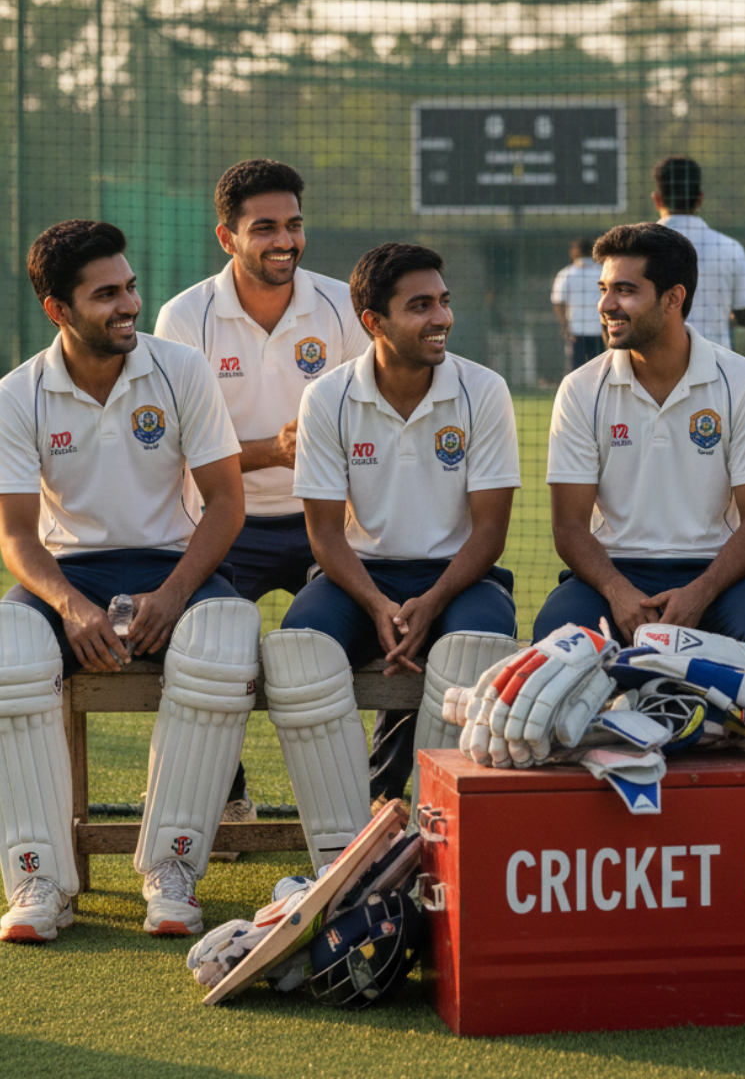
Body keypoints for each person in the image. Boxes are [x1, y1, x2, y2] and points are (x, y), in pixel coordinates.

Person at [0, 220, 257, 942]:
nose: (129, 306)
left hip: (169, 561)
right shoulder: (18, 395)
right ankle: (38, 880)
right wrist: (70, 607)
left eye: (131, 287)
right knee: (8, 649)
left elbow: (228, 504)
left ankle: (171, 870)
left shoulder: (181, 369)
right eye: (106, 294)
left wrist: (173, 594)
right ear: (58, 309)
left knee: (226, 639)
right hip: (68, 570)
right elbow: (17, 534)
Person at [259, 242, 520, 868]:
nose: (441, 318)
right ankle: (344, 854)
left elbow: (489, 533)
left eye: (444, 301)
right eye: (420, 306)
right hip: (357, 576)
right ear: (373, 322)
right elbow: (323, 533)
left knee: (475, 649)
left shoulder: (483, 390)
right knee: (298, 653)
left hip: (460, 576)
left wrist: (429, 604)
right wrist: (377, 604)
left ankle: (440, 851)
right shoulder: (327, 398)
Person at [154, 159, 369, 852]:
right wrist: (271, 452)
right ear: (227, 236)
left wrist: (330, 445)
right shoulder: (185, 317)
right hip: (225, 521)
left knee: (404, 639)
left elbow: (384, 418)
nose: (285, 241)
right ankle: (225, 796)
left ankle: (379, 804)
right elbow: (175, 449)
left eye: (295, 225)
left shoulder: (342, 305)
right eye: (266, 228)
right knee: (202, 648)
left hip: (332, 523)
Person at [533, 222, 745, 671]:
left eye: (624, 290)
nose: (605, 305)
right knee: (556, 633)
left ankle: (732, 743)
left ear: (673, 298)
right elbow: (569, 526)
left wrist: (700, 592)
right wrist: (619, 592)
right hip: (611, 573)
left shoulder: (743, 381)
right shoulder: (580, 388)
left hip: (717, 574)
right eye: (604, 289)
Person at [652, 155, 745, 350]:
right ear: (699, 198)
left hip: (655, 367)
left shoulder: (639, 248)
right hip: (714, 365)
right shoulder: (729, 247)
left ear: (657, 199)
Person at [550, 236, 604, 371]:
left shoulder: (566, 274)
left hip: (576, 331)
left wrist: (565, 328)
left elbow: (558, 303)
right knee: (600, 370)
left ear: (573, 252)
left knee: (576, 370)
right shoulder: (602, 272)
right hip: (600, 330)